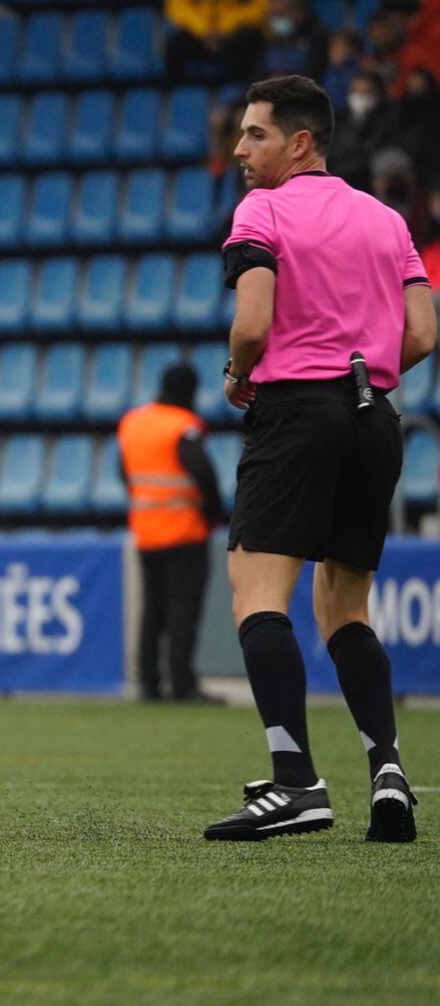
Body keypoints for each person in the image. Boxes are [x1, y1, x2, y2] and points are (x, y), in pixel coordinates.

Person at [205, 74, 434, 843]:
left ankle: (295, 783)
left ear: (300, 142)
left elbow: (252, 321)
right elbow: (425, 333)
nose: (240, 149)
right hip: (375, 417)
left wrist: (240, 374)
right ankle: (388, 773)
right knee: (346, 609)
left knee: (257, 594)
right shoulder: (386, 220)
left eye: (256, 135)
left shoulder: (261, 210)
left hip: (297, 411)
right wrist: (362, 373)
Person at [117, 364, 225, 703]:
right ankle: (182, 684)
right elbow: (202, 471)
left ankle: (148, 683)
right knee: (182, 611)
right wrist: (213, 515)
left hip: (146, 531)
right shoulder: (182, 426)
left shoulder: (132, 422)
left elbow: (124, 472)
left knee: (152, 610)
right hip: (184, 531)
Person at [262, 0, 329, 81]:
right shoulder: (273, 38)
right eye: (272, 14)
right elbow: (259, 73)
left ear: (298, 10)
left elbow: (314, 74)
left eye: (280, 13)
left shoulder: (318, 36)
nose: (275, 19)